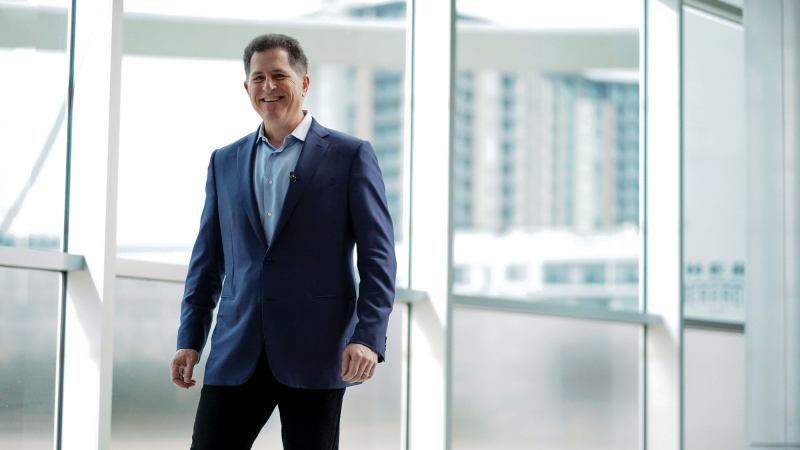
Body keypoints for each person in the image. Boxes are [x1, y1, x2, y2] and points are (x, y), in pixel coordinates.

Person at [169, 33, 397, 450]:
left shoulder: (350, 155)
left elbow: (378, 258)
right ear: (247, 87)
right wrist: (189, 339)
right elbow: (207, 261)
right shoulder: (224, 161)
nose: (268, 86)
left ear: (304, 83)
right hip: (236, 348)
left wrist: (367, 336)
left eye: (279, 75)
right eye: (258, 78)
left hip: (317, 350)